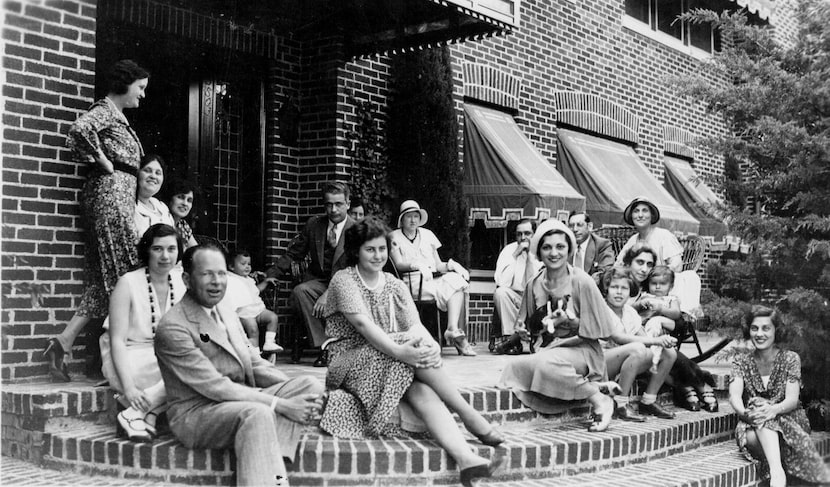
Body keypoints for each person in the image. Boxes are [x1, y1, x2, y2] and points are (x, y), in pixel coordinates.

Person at [319, 217, 506, 487]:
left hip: (387, 356)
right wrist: (401, 350)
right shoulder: (344, 279)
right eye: (370, 250)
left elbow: (416, 326)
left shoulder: (394, 284)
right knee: (409, 345)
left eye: (382, 249)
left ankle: (466, 459)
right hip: (349, 358)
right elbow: (362, 324)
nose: (378, 255)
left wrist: (430, 347)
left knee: (422, 388)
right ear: (356, 251)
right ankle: (470, 416)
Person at [154, 243, 326, 487]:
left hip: (240, 397)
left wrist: (290, 390)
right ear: (187, 279)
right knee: (258, 413)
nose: (216, 281)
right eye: (207, 274)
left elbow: (253, 361)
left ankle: (270, 462)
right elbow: (215, 386)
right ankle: (272, 479)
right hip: (199, 412)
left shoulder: (224, 308)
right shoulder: (173, 326)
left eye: (222, 273)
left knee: (308, 385)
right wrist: (282, 405)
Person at [45, 60, 150, 382]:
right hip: (110, 197)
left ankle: (64, 341)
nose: (143, 96)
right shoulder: (105, 109)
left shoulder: (117, 116)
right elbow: (80, 129)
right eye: (141, 88)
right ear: (125, 83)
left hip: (114, 197)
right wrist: (102, 159)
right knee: (127, 277)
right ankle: (119, 362)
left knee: (105, 281)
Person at [497, 219, 618, 432]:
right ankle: (588, 386)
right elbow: (530, 327)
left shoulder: (582, 281)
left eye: (560, 247)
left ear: (569, 249)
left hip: (583, 350)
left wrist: (574, 322)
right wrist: (524, 331)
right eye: (547, 247)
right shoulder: (533, 283)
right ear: (539, 251)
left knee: (545, 365)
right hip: (548, 350)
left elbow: (603, 332)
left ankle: (599, 400)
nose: (554, 253)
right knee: (513, 368)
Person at [100, 224, 186, 442]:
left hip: (162, 354)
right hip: (128, 354)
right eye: (158, 249)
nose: (165, 256)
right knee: (184, 372)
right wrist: (128, 388)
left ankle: (140, 413)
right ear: (147, 250)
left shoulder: (181, 282)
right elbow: (116, 340)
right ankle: (146, 410)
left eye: (171, 249)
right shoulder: (127, 283)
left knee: (197, 365)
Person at [730, 305, 830, 487]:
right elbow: (734, 395)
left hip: (789, 417)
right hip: (753, 420)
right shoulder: (741, 360)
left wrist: (772, 410)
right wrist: (743, 412)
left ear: (776, 331)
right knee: (755, 427)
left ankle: (777, 475)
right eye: (754, 328)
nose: (759, 334)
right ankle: (781, 470)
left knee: (763, 416)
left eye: (766, 328)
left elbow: (791, 400)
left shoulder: (790, 358)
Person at [622, 244, 718, 413]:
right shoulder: (621, 285)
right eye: (640, 262)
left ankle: (691, 387)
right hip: (630, 342)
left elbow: (679, 325)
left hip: (655, 339)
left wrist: (662, 319)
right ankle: (697, 384)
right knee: (667, 353)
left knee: (667, 351)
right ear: (629, 263)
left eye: (649, 264)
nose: (644, 269)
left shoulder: (654, 291)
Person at [269, 181, 355, 367]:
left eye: (338, 204)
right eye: (328, 204)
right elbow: (294, 253)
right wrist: (271, 275)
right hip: (318, 282)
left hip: (347, 285)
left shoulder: (357, 229)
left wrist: (329, 293)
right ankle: (326, 347)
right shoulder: (314, 224)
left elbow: (356, 270)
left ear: (348, 203)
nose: (333, 209)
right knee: (300, 291)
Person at [389, 200, 474, 356]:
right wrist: (415, 265)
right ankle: (456, 336)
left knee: (456, 281)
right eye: (409, 216)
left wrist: (451, 265)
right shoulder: (394, 236)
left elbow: (438, 265)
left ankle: (452, 329)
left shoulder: (427, 235)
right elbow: (399, 265)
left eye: (416, 216)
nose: (413, 220)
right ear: (402, 219)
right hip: (412, 283)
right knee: (448, 288)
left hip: (431, 280)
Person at [599, 266, 677, 421]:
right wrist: (654, 340)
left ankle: (648, 401)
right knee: (637, 349)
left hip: (625, 361)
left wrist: (663, 341)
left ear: (630, 291)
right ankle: (620, 404)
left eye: (624, 288)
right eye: (614, 287)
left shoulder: (630, 312)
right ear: (606, 289)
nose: (619, 292)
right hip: (601, 363)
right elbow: (618, 338)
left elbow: (644, 337)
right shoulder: (602, 309)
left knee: (668, 353)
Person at [491, 219, 541, 354]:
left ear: (534, 234)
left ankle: (529, 339)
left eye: (527, 233)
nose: (523, 238)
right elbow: (502, 282)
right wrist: (515, 256)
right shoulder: (509, 251)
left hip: (536, 301)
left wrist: (530, 256)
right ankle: (512, 341)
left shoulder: (542, 250)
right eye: (519, 234)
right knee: (501, 293)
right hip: (516, 299)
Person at [228, 250, 283, 354]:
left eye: (249, 264)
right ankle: (255, 352)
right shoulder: (230, 278)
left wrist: (265, 281)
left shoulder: (249, 279)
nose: (247, 267)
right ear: (231, 267)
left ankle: (269, 343)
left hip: (256, 310)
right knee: (253, 329)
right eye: (243, 264)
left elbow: (256, 290)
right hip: (243, 313)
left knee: (272, 317)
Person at [615, 197, 683, 272]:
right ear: (632, 216)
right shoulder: (632, 241)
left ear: (652, 215)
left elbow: (677, 265)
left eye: (645, 211)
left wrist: (656, 274)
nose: (640, 215)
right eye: (636, 211)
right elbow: (618, 266)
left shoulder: (664, 236)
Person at [634, 265, 681, 373]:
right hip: (642, 327)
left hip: (661, 329)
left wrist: (661, 309)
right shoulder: (645, 296)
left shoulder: (671, 299)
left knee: (654, 323)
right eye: (654, 283)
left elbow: (676, 313)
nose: (658, 287)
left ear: (671, 286)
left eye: (663, 284)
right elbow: (631, 309)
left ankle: (652, 358)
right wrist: (640, 304)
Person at [134, 154, 175, 240]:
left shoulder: (162, 207)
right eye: (147, 171)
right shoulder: (130, 206)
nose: (153, 176)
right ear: (137, 173)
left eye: (158, 173)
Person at [568, 211, 615, 278]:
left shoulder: (602, 245)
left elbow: (606, 273)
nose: (575, 229)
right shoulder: (565, 245)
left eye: (579, 225)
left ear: (590, 226)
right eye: (571, 226)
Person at [165, 177, 199, 250]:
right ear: (170, 198)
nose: (185, 203)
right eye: (180, 197)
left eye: (189, 200)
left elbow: (196, 251)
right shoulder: (161, 220)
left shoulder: (183, 226)